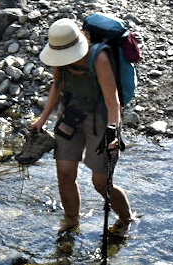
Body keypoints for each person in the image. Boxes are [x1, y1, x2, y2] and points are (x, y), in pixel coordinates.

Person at [30, 18, 133, 233]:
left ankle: (126, 220)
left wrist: (113, 131)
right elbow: (57, 85)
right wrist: (43, 118)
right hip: (70, 115)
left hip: (101, 119)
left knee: (100, 182)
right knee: (65, 173)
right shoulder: (60, 56)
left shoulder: (99, 58)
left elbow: (112, 99)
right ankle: (71, 221)